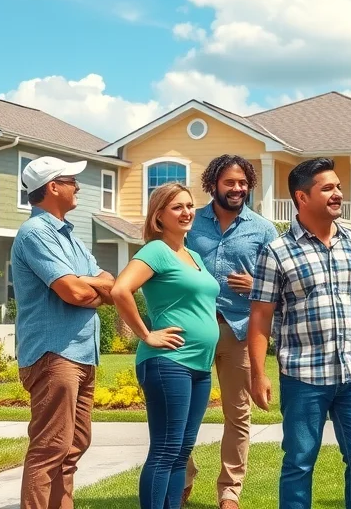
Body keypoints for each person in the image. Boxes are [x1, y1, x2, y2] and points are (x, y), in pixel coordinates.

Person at [247, 157, 351, 509]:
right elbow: (260, 316)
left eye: (339, 187)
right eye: (327, 188)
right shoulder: (277, 251)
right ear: (302, 197)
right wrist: (258, 373)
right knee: (298, 463)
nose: (338, 194)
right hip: (303, 375)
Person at [12, 156, 115, 509]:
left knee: (74, 446)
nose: (78, 186)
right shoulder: (36, 234)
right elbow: (72, 293)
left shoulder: (67, 234)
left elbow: (109, 283)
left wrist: (85, 283)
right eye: (71, 180)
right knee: (50, 448)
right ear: (53, 187)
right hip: (54, 354)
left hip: (81, 354)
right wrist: (86, 285)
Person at [111, 182, 221, 509]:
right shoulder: (155, 250)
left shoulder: (193, 255)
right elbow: (120, 290)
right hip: (168, 362)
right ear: (159, 216)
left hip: (199, 366)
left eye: (189, 205)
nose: (187, 212)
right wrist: (147, 334)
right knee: (165, 449)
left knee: (182, 450)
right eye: (177, 207)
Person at [183, 155, 278, 509]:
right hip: (195, 329)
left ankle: (230, 491)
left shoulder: (263, 229)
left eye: (242, 183)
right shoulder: (191, 223)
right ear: (214, 185)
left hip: (240, 331)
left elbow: (278, 283)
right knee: (184, 409)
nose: (237, 189)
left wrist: (257, 284)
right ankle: (184, 475)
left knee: (237, 413)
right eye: (229, 183)